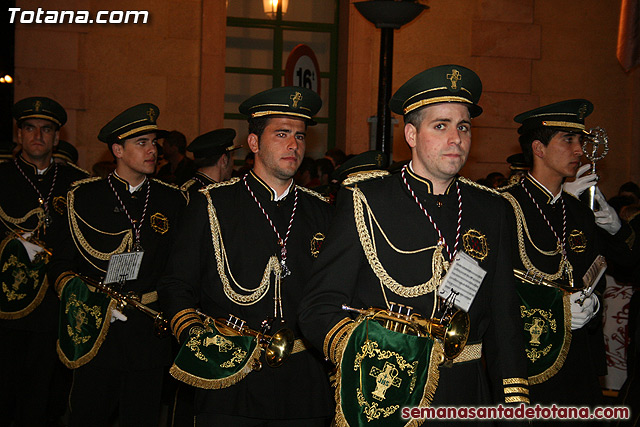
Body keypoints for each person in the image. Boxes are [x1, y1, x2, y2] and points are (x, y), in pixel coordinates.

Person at [298, 65, 529, 426]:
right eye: (441, 126)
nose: (456, 138)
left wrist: (513, 405)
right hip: (386, 395)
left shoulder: (492, 209)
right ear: (410, 134)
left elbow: (505, 319)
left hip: (466, 397)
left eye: (463, 126)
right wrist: (366, 356)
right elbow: (318, 306)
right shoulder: (368, 199)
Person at [158, 86, 335, 426]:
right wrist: (197, 339)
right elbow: (176, 284)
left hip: (304, 387)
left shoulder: (322, 212)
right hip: (229, 383)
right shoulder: (212, 204)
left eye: (299, 136)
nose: (294, 145)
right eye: (281, 134)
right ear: (254, 143)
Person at [47, 103, 186, 426]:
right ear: (118, 150)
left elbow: (178, 268)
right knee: (88, 414)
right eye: (142, 143)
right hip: (98, 332)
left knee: (143, 416)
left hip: (148, 334)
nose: (153, 150)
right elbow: (60, 264)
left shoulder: (172, 199)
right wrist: (85, 297)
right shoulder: (83, 196)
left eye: (154, 142)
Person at [501, 99, 635, 410]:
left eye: (582, 141)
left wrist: (593, 301)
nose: (580, 151)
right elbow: (498, 287)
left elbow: (599, 272)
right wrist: (558, 310)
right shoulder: (505, 206)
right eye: (569, 140)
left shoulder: (578, 211)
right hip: (529, 359)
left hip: (579, 360)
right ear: (539, 148)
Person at [0, 96, 88, 426]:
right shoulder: (4, 177)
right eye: (30, 128)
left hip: (54, 308)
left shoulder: (76, 183)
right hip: (6, 307)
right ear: (19, 135)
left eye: (46, 129)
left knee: (46, 395)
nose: (37, 135)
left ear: (56, 138)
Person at [181, 128, 240, 197]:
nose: (233, 162)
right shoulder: (221, 194)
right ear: (224, 160)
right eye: (232, 156)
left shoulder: (187, 190)